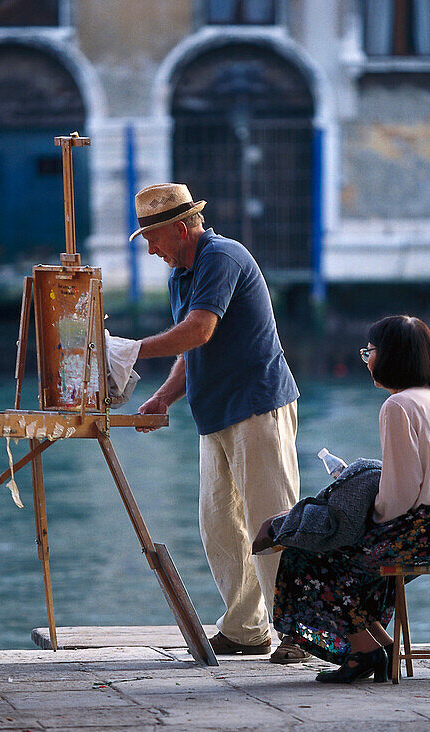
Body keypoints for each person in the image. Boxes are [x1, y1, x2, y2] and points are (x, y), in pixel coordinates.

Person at [130, 183, 307, 663]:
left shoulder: (221, 257)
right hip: (215, 413)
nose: (150, 249)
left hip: (256, 405)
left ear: (181, 229)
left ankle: (299, 631)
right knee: (220, 526)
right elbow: (193, 349)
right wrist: (163, 397)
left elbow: (199, 329)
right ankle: (247, 629)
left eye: (153, 238)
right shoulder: (181, 274)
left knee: (273, 521)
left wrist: (129, 350)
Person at [253, 314, 430, 683]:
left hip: (425, 530)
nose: (367, 360)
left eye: (369, 352)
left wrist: (366, 518)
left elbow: (401, 494)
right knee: (345, 556)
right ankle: (380, 646)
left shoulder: (398, 406)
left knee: (313, 551)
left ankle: (364, 652)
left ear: (391, 356)